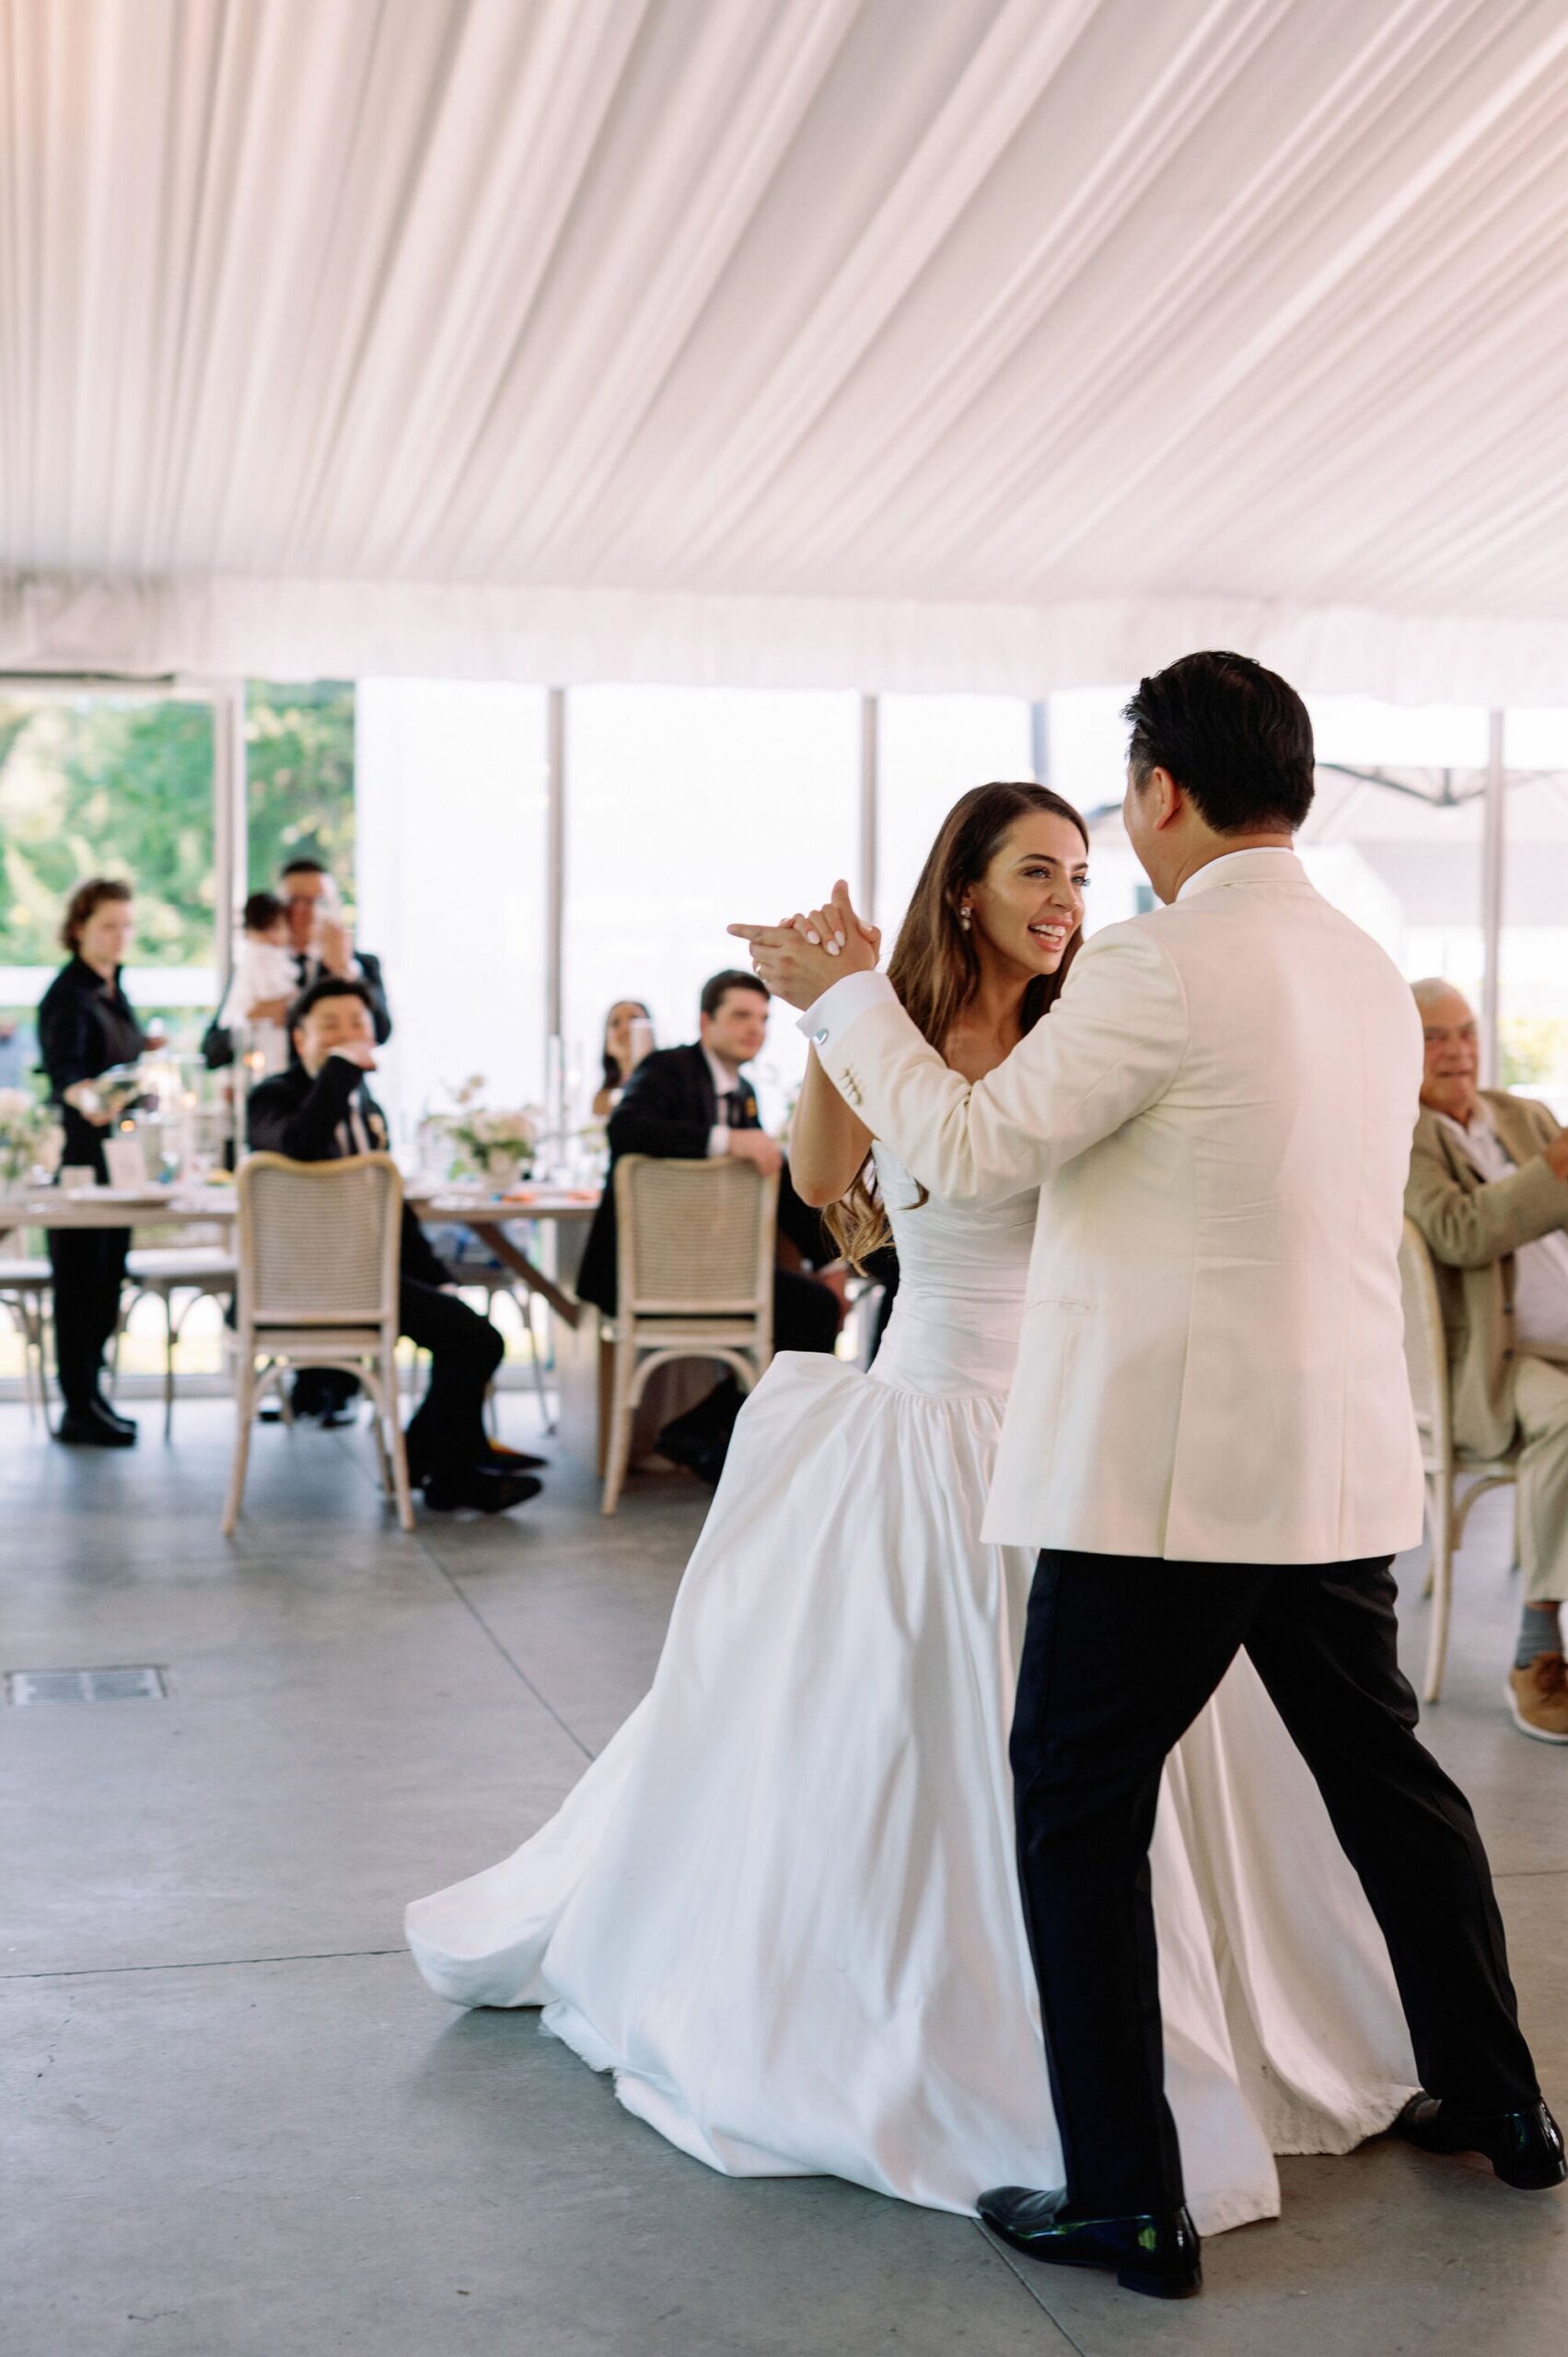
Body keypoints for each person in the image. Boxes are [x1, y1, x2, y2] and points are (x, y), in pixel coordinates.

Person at [408, 781, 1423, 2268]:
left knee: (1095, 1757)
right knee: (901, 1733)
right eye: (1032, 870)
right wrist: (847, 1015)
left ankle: (1112, 2094)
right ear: (962, 888)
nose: (1063, 896)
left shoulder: (1107, 1019)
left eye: (1076, 870)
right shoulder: (907, 1027)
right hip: (930, 1412)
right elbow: (828, 1193)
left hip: (1088, 1430)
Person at [738, 655, 1562, 2300]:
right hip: (1329, 1467)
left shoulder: (1154, 965)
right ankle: (1502, 2096)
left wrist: (839, 995)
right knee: (1389, 1786)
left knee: (1070, 1803)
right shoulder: (1353, 964)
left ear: (1159, 794)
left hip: (1164, 1480)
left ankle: (1124, 2196)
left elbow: (962, 1152)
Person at [246, 978, 540, 1514]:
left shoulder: (366, 1106)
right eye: (329, 1025)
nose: (346, 1035)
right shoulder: (273, 1097)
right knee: (476, 1341)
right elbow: (300, 1145)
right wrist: (341, 1068)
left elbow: (389, 1204)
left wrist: (435, 1276)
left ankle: (439, 1458)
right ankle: (440, 1466)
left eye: (357, 1023)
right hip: (308, 1282)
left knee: (470, 1335)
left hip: (370, 1277)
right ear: (298, 1038)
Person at [575, 970, 842, 1480]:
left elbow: (771, 1178)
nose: (754, 1030)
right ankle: (742, 1444)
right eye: (740, 1016)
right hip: (644, 1273)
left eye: (763, 1019)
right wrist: (729, 1141)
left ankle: (709, 1432)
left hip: (706, 1268)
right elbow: (626, 1129)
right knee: (809, 1311)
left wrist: (828, 1260)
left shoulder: (741, 1093)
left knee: (815, 1306)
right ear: (705, 1021)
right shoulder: (666, 1068)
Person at [1405, 979, 1568, 1743]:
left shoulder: (1522, 1115)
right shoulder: (1398, 1133)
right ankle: (1538, 1649)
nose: (1457, 1049)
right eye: (1434, 1035)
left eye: (1465, 1032)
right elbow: (1459, 1231)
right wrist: (1553, 1175)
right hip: (1498, 1364)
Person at [36, 879, 151, 1447]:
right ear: (80, 927)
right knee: (79, 1282)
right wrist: (93, 1098)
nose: (120, 936)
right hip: (81, 1159)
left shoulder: (114, 990)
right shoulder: (68, 996)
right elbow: (65, 1078)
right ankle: (78, 1404)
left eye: (127, 925)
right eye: (109, 925)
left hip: (120, 1158)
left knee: (107, 1280)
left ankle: (93, 1397)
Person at [278, 859, 391, 1043]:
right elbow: (216, 1047)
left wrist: (343, 970)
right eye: (295, 901)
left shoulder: (363, 965)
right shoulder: (258, 964)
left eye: (320, 901)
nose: (308, 910)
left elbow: (381, 1032)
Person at [233, 891, 297, 1078]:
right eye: (264, 930)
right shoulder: (260, 957)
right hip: (260, 1039)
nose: (272, 936)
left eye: (276, 927)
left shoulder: (276, 957)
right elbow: (271, 1002)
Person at [591, 1000, 653, 1120]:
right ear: (607, 1044)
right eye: (615, 1023)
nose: (626, 1029)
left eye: (635, 1020)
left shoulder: (668, 1090)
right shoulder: (600, 1100)